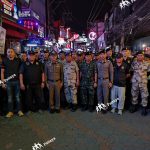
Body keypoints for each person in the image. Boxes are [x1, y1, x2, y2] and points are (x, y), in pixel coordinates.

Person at [1, 48, 24, 118]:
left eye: (11, 52)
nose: (10, 53)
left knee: (17, 97)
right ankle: (10, 111)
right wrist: (2, 83)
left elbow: (21, 72)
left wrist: (21, 82)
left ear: (14, 53)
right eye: (8, 52)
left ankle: (19, 110)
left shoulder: (18, 60)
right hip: (8, 82)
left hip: (17, 81)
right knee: (10, 98)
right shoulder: (4, 61)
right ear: (7, 53)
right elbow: (2, 72)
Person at [130, 51, 150, 116]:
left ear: (143, 56)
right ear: (137, 56)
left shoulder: (147, 63)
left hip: (143, 82)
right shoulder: (133, 63)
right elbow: (131, 71)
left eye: (141, 55)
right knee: (134, 94)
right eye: (138, 55)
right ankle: (134, 106)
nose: (140, 56)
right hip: (135, 82)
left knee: (144, 95)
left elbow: (149, 72)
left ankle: (144, 108)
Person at [96, 49, 114, 114]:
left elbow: (111, 72)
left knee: (106, 95)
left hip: (106, 80)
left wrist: (111, 82)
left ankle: (105, 108)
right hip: (99, 80)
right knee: (99, 95)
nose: (102, 55)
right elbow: (95, 72)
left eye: (103, 54)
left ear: (106, 55)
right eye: (101, 54)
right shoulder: (97, 62)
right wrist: (95, 81)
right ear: (99, 55)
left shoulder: (109, 62)